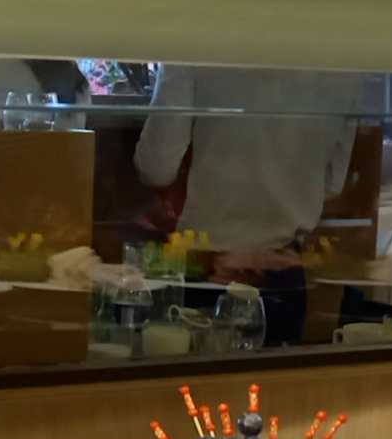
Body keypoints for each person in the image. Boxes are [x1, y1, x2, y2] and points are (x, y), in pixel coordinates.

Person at [131, 65, 369, 345]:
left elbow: (156, 168)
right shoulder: (345, 62)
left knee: (194, 373)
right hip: (284, 271)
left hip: (206, 269)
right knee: (274, 373)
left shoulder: (194, 48)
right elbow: (332, 183)